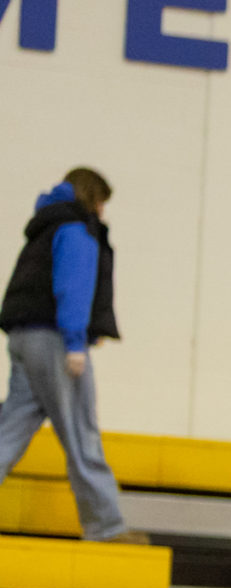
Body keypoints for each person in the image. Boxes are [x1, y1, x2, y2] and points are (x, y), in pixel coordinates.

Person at [0, 169, 141, 542]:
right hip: (56, 340)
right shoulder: (76, 229)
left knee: (8, 432)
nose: (103, 213)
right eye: (102, 204)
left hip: (23, 336)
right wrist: (76, 344)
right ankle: (106, 527)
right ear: (92, 198)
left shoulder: (46, 225)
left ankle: (105, 525)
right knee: (82, 433)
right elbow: (73, 288)